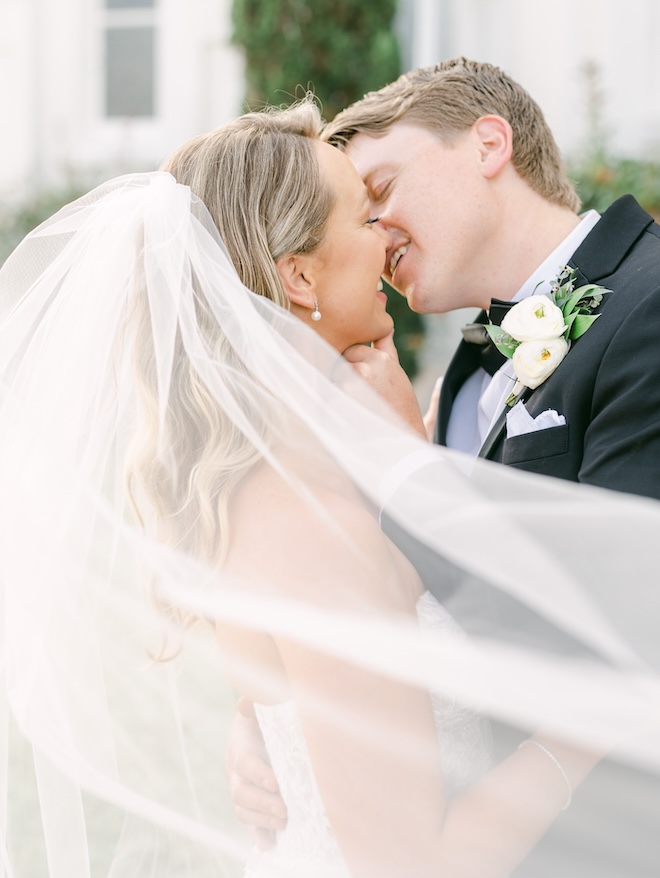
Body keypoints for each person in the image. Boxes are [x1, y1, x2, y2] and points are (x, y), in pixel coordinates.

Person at [0, 99, 658, 878]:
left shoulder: (333, 456)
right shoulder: (300, 514)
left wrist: (265, 719)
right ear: (301, 275)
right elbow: (411, 864)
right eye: (361, 213)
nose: (384, 238)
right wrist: (581, 732)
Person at [320, 56, 660, 500]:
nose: (374, 242)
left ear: (489, 145)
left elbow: (620, 564)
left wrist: (408, 465)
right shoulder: (463, 379)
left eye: (380, 190)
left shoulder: (650, 303)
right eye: (362, 221)